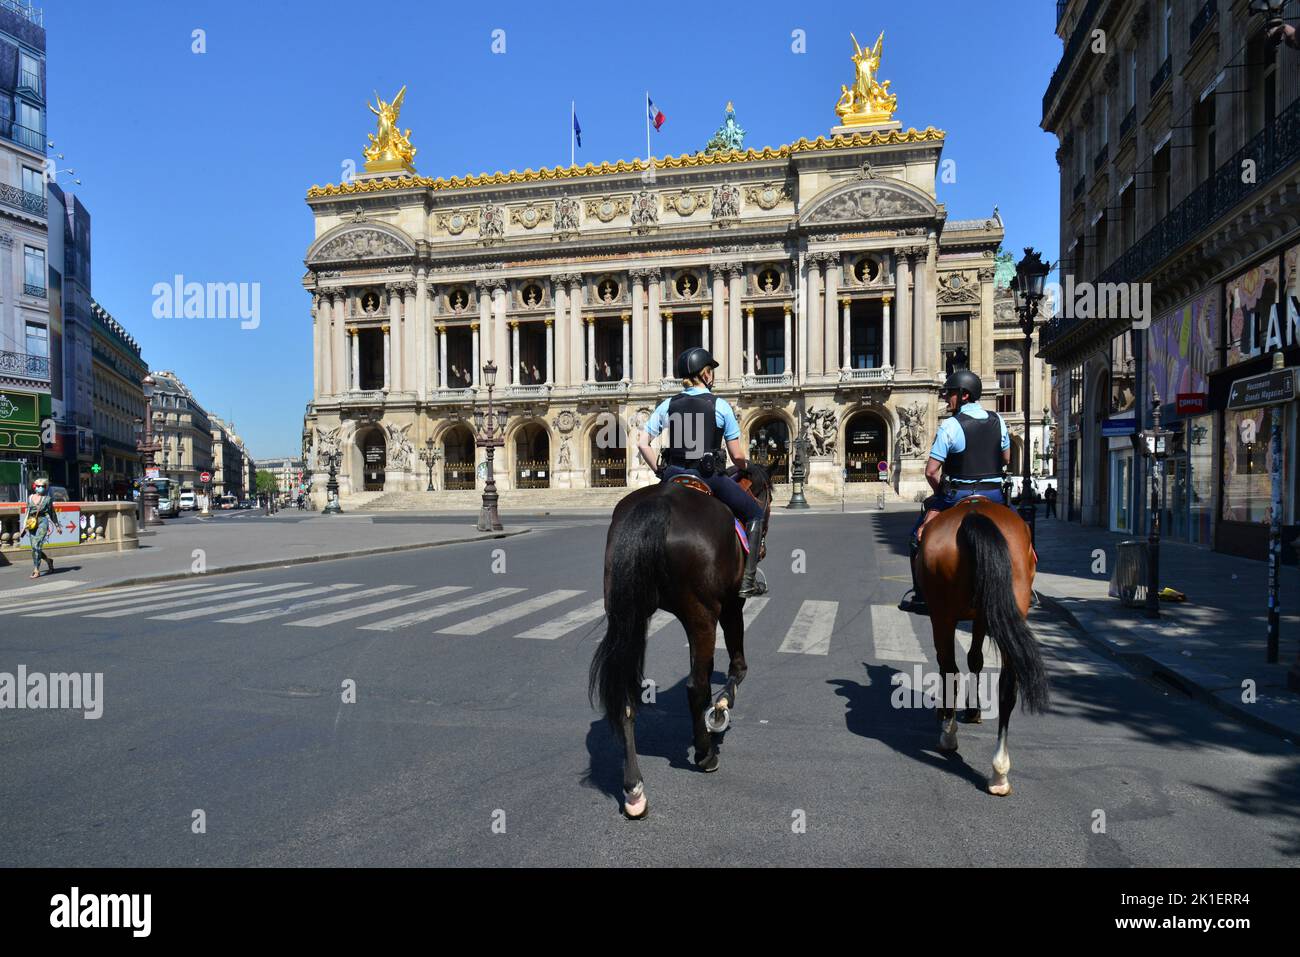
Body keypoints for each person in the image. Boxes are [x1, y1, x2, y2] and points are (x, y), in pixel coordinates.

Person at [637, 346, 769, 598]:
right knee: (754, 513)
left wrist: (659, 471)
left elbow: (643, 443)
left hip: (673, 474)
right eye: (711, 371)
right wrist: (745, 467)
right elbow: (737, 456)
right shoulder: (720, 406)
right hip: (708, 476)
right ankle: (748, 581)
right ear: (706, 374)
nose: (712, 376)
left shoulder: (667, 405)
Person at [904, 370, 1011, 613]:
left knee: (916, 538)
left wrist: (941, 493)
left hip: (958, 495)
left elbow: (931, 471)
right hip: (994, 495)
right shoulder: (999, 420)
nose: (946, 399)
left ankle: (921, 595)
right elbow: (1006, 457)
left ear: (964, 395)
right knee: (1021, 530)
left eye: (950, 394)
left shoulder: (950, 426)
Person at [22, 478, 60, 580]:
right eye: (38, 486)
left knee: (36, 545)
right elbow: (27, 512)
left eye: (43, 486)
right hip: (32, 522)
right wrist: (24, 525)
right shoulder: (30, 498)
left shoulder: (47, 499)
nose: (40, 488)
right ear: (34, 487)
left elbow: (52, 513)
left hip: (43, 521)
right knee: (35, 548)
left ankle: (36, 569)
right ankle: (48, 560)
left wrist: (57, 526)